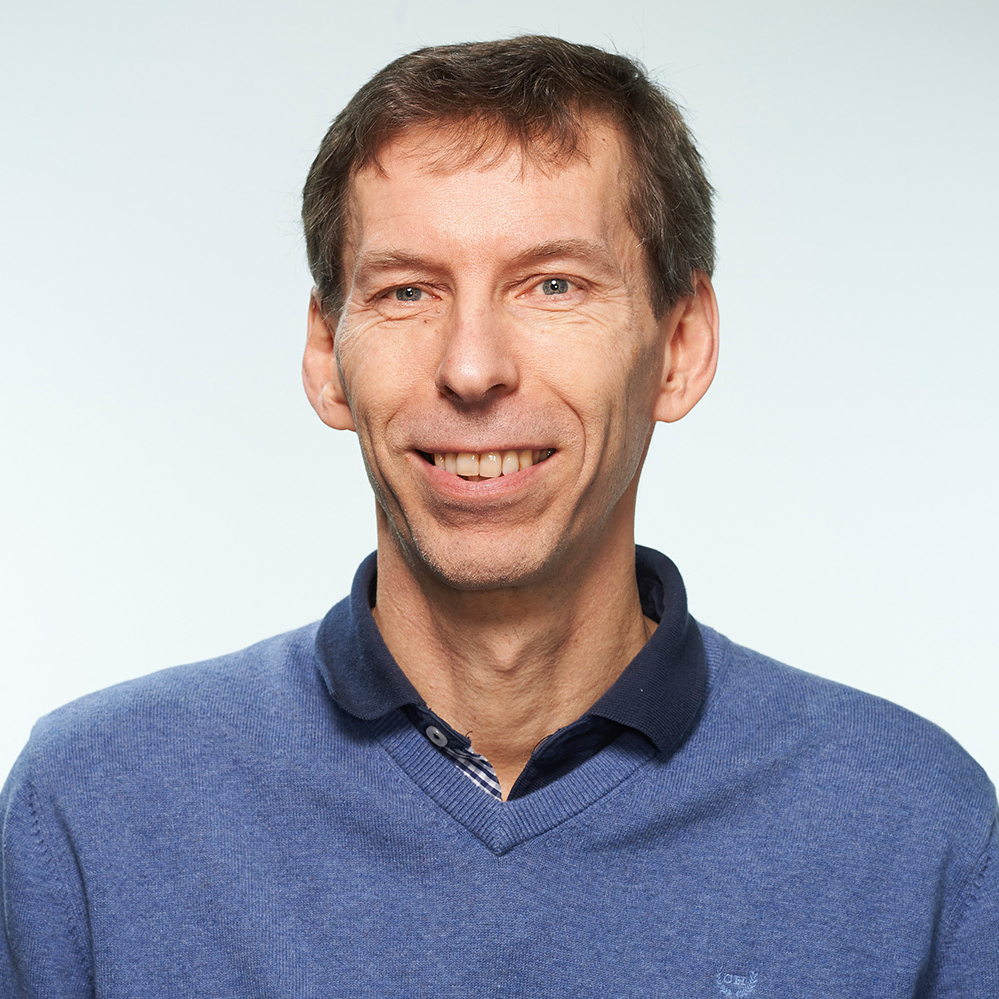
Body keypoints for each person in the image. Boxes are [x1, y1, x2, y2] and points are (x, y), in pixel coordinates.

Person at [1, 35, 995, 998]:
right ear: (325, 356)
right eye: (407, 290)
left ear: (681, 345)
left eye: (552, 284)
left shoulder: (913, 825)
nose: (471, 367)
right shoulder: (92, 807)